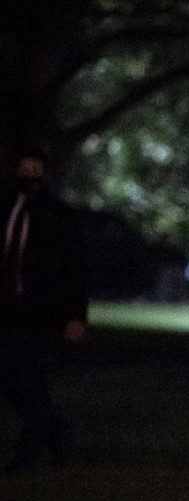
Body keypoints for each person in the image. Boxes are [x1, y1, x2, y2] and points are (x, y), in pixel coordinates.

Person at [1, 150, 88, 474]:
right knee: (11, 382)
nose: (29, 175)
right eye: (25, 168)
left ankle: (26, 457)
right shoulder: (6, 207)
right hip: (7, 309)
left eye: (36, 169)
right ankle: (55, 430)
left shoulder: (57, 216)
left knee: (32, 381)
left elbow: (75, 269)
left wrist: (76, 316)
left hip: (38, 313)